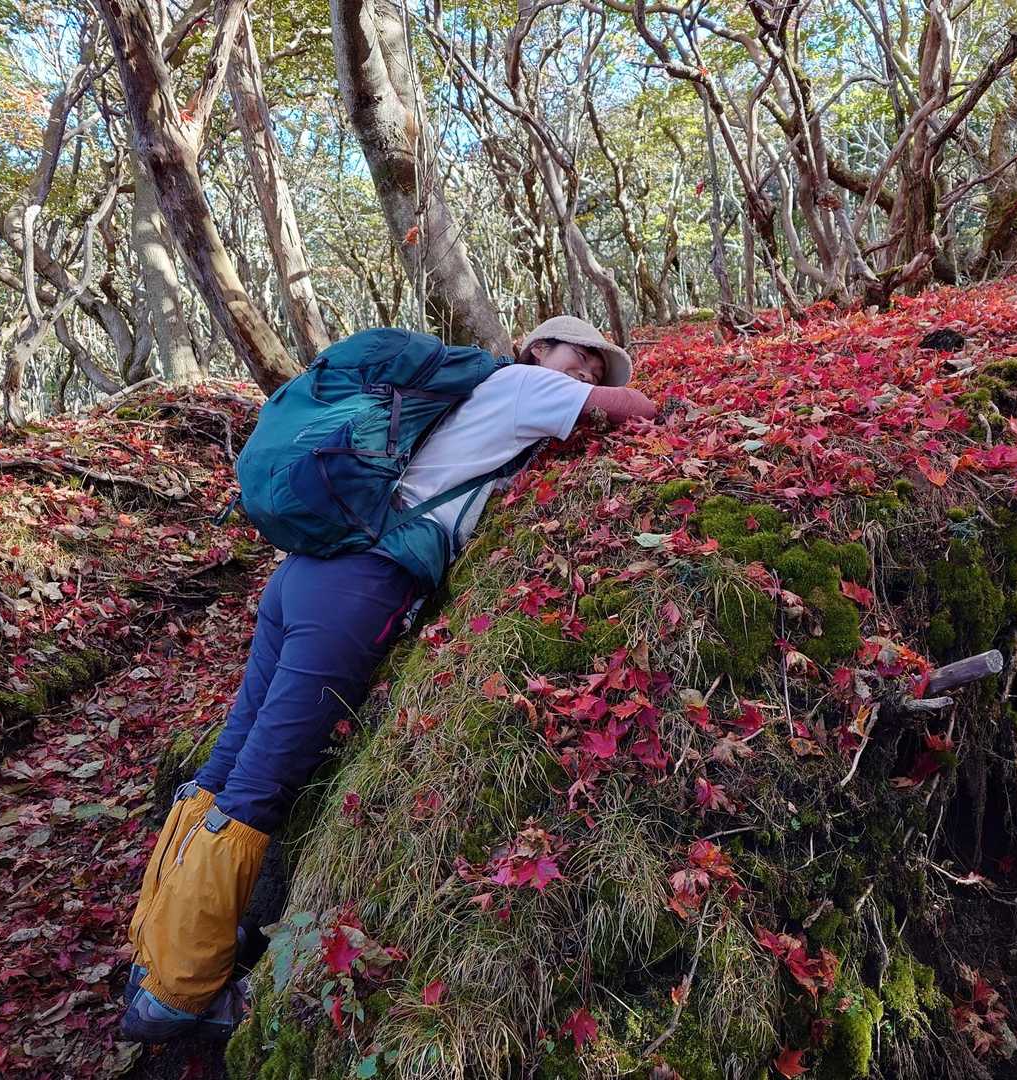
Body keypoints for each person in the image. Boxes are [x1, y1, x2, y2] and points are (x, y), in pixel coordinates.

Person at [120, 316, 657, 1042]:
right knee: (261, 783)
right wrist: (661, 404)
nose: (589, 372)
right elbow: (629, 409)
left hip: (305, 573)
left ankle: (158, 945)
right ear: (537, 349)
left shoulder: (475, 395)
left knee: (228, 763)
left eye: (598, 365)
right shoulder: (523, 385)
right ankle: (179, 993)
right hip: (358, 584)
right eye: (581, 355)